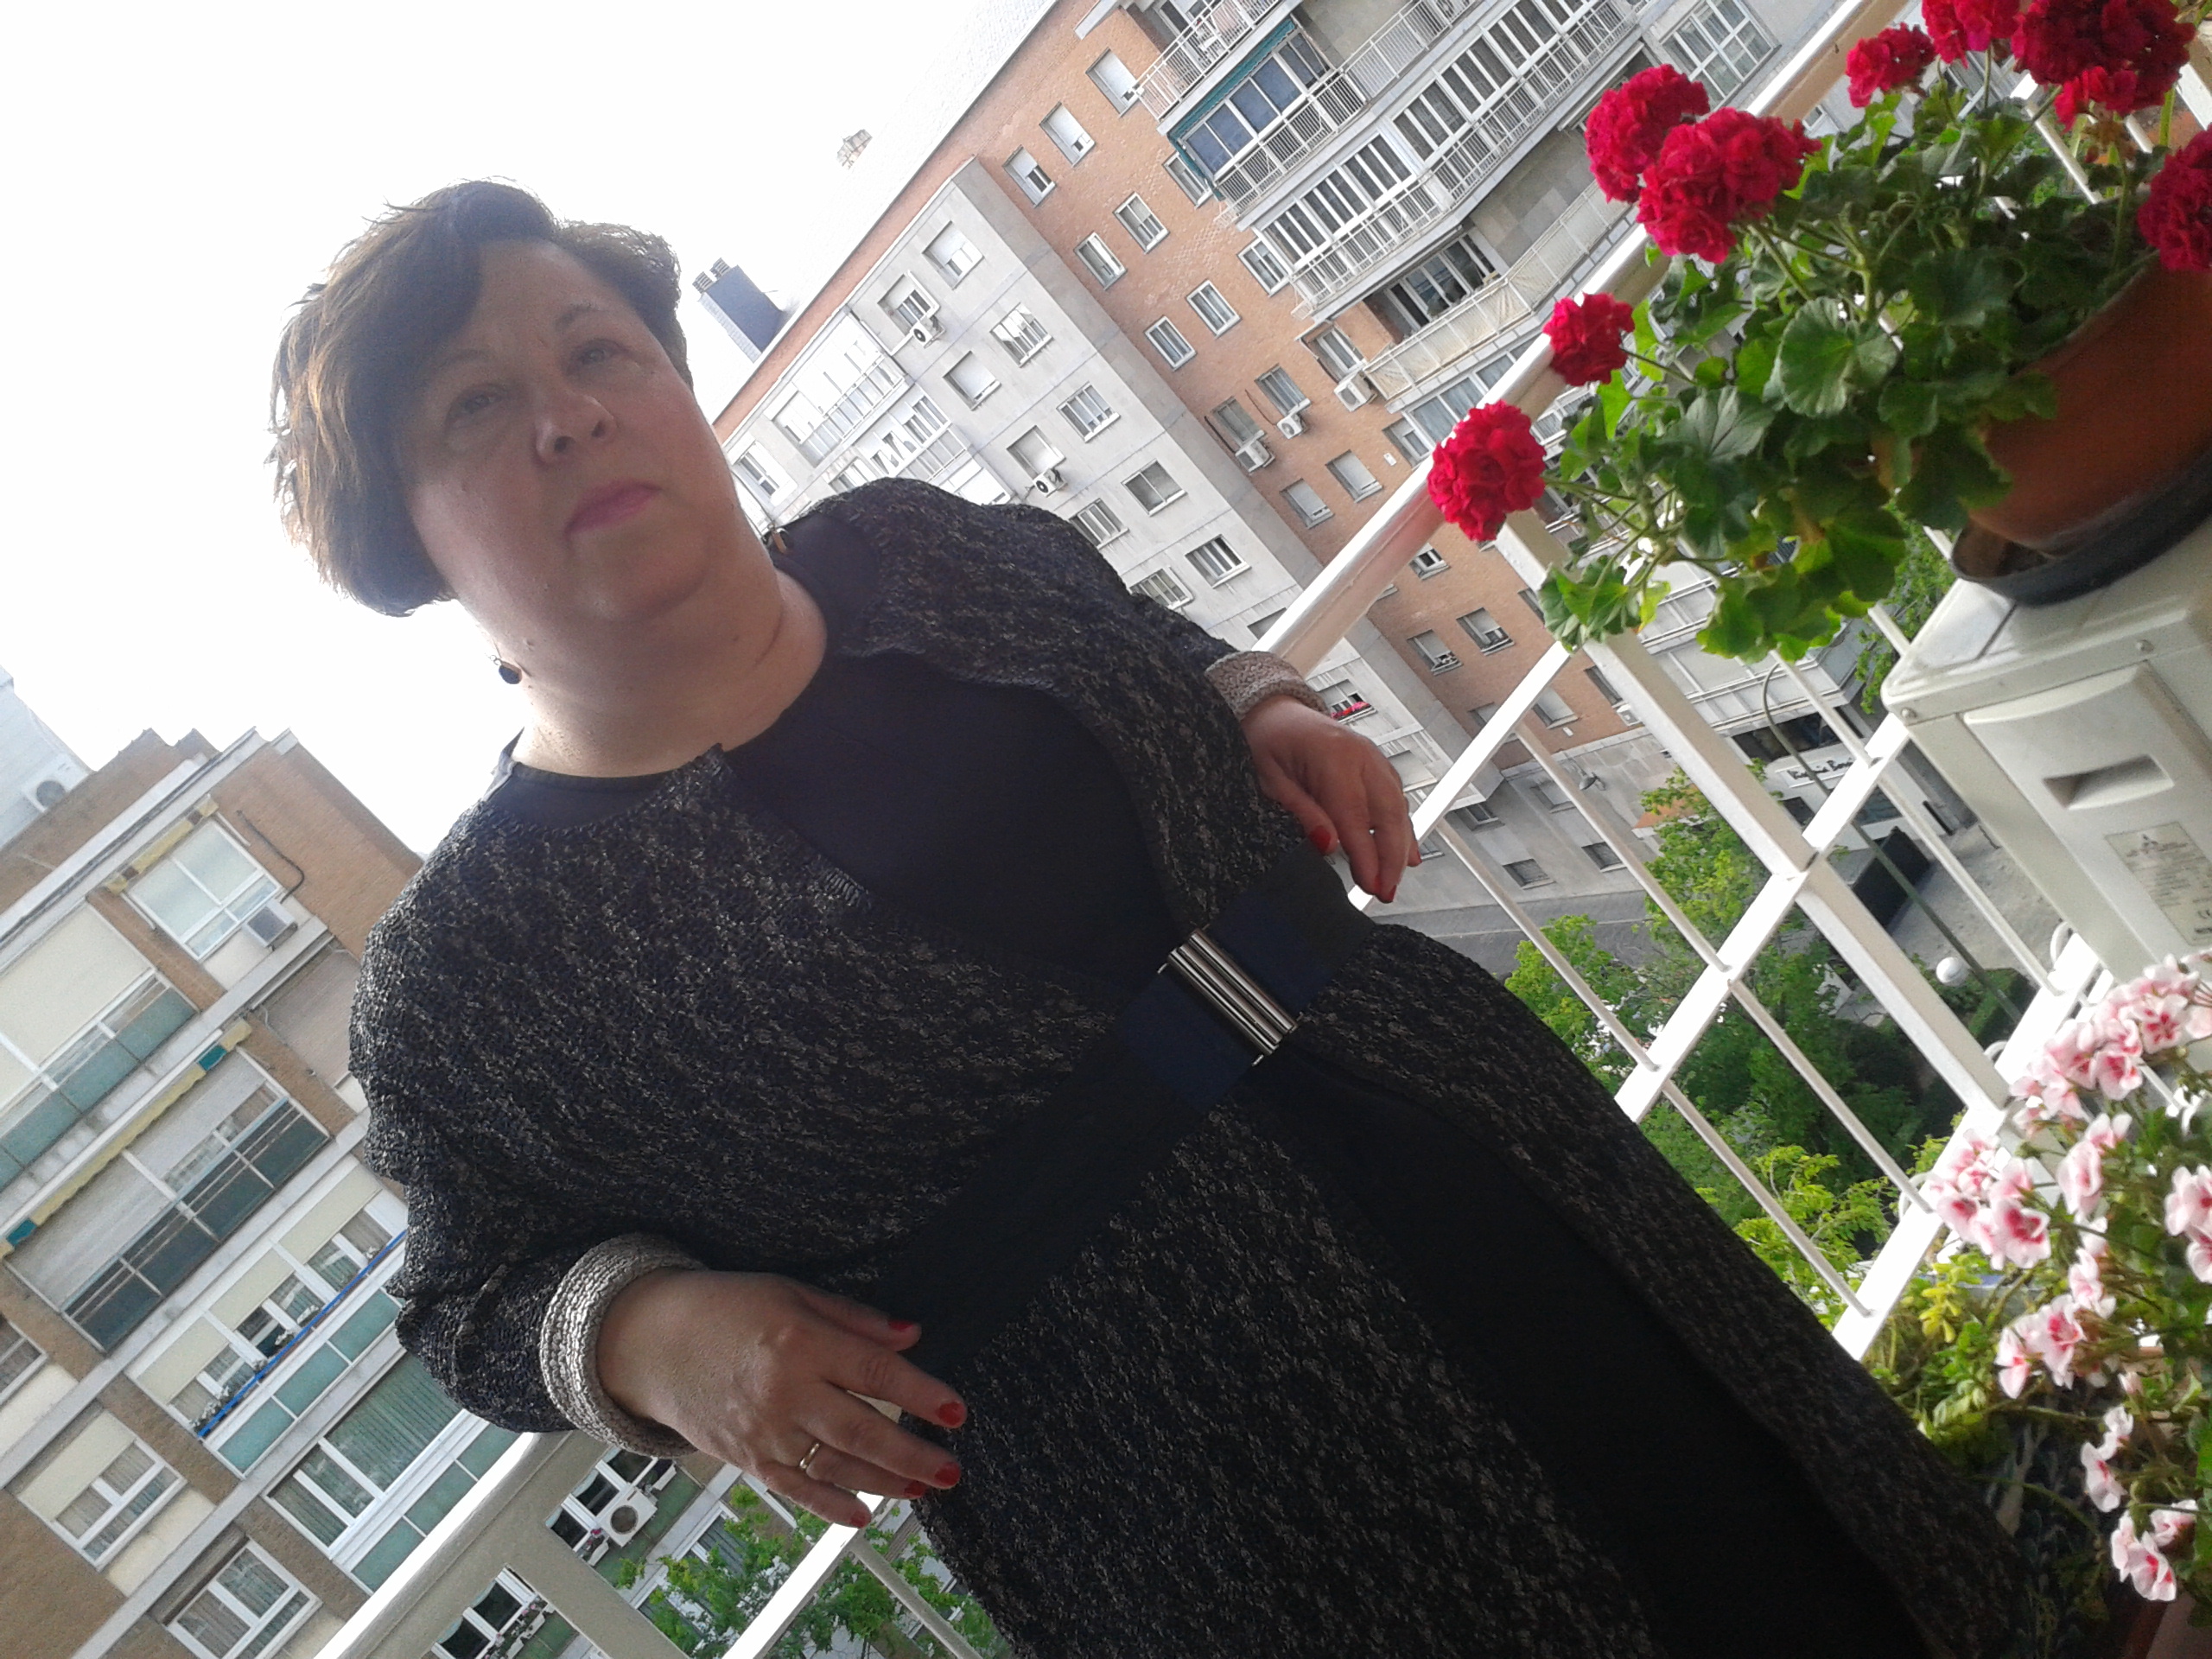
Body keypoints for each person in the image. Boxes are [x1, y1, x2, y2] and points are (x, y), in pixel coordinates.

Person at [276, 181, 2025, 1659]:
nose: (568, 415)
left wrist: (1260, 700)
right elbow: (464, 1294)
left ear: (672, 381)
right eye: (475, 409)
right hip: (1194, 1472)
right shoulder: (472, 969)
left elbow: (1124, 627)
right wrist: (651, 1339)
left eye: (598, 353)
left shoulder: (903, 546)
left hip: (1472, 1138)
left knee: (1816, 1558)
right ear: (405, 541)